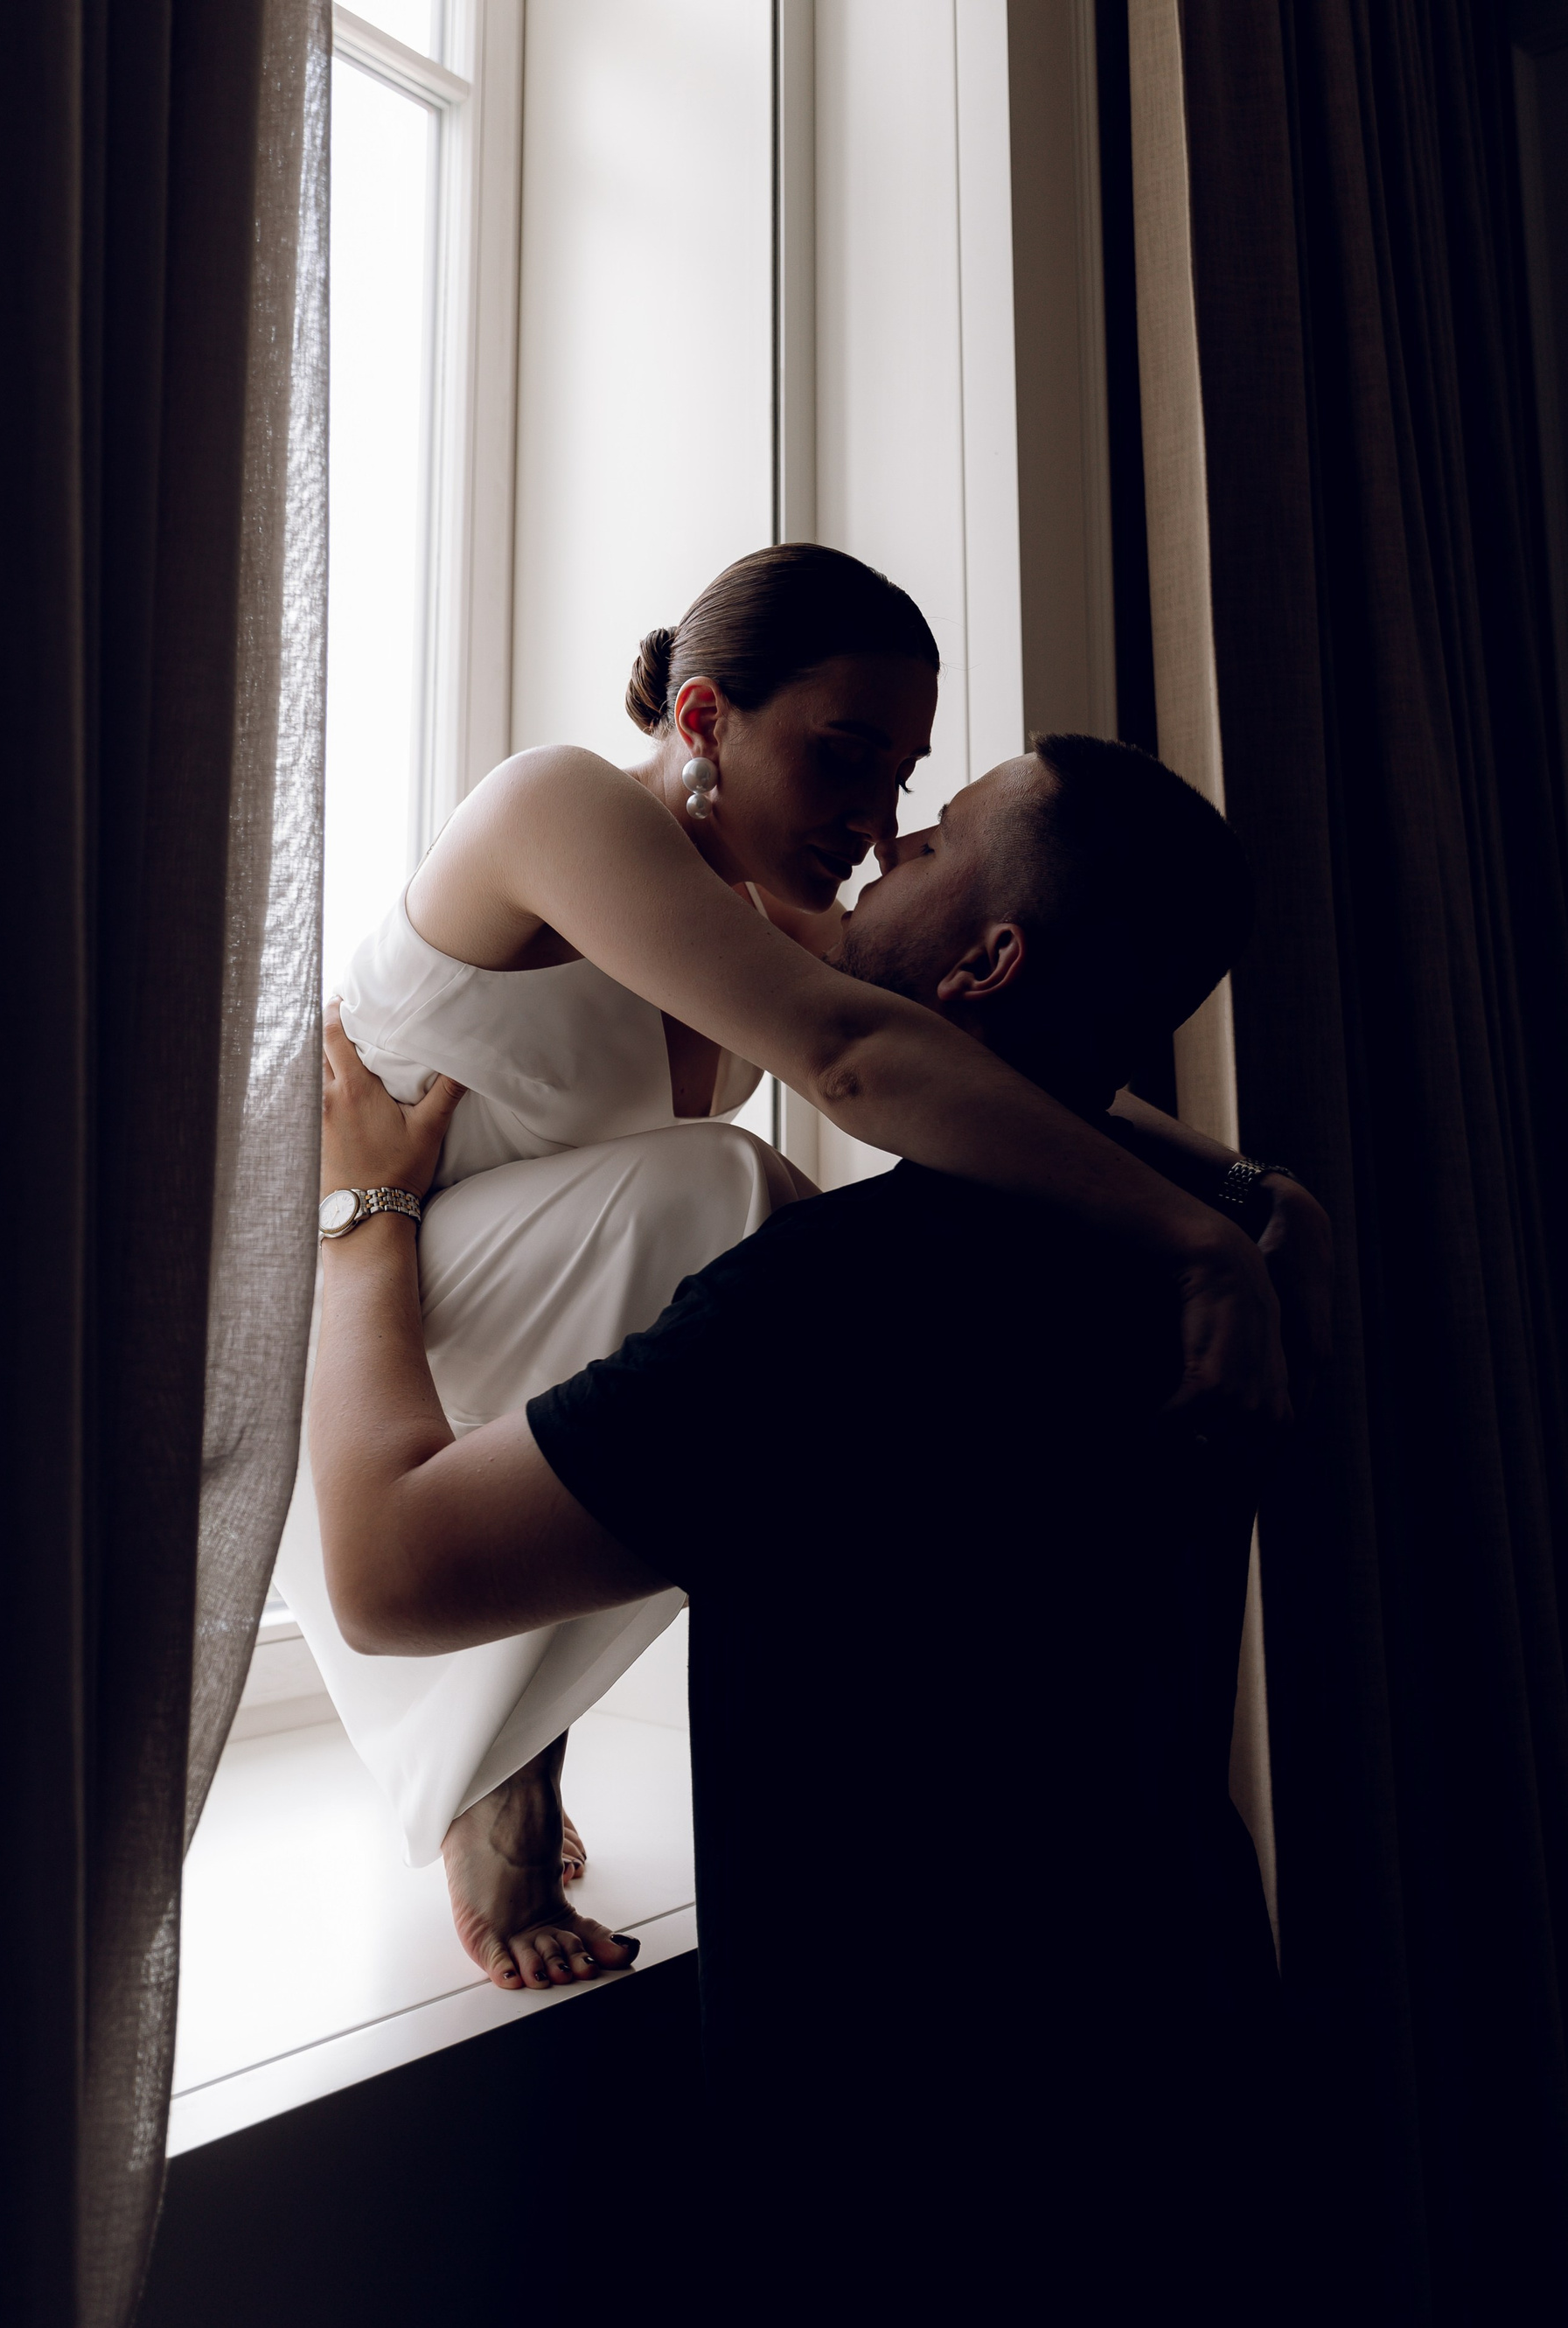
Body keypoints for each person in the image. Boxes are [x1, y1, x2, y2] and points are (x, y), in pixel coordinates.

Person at [309, 735, 1325, 2328]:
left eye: (929, 834)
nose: (882, 845)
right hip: (1191, 2078)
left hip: (923, 2221)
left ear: (983, 962)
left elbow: (388, 1573)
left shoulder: (830, 1310)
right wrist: (1233, 1208)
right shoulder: (1186, 1281)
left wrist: (368, 1217)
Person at [278, 542, 1312, 1963]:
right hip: (348, 1306)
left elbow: (970, 1048)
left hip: (475, 1317)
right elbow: (850, 1054)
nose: (879, 826)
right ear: (703, 719)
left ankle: (511, 1745)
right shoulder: (557, 804)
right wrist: (1196, 1241)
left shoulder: (766, 925)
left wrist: (1244, 1183)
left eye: (905, 781)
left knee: (743, 1242)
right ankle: (499, 1760)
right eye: (845, 758)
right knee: (730, 1193)